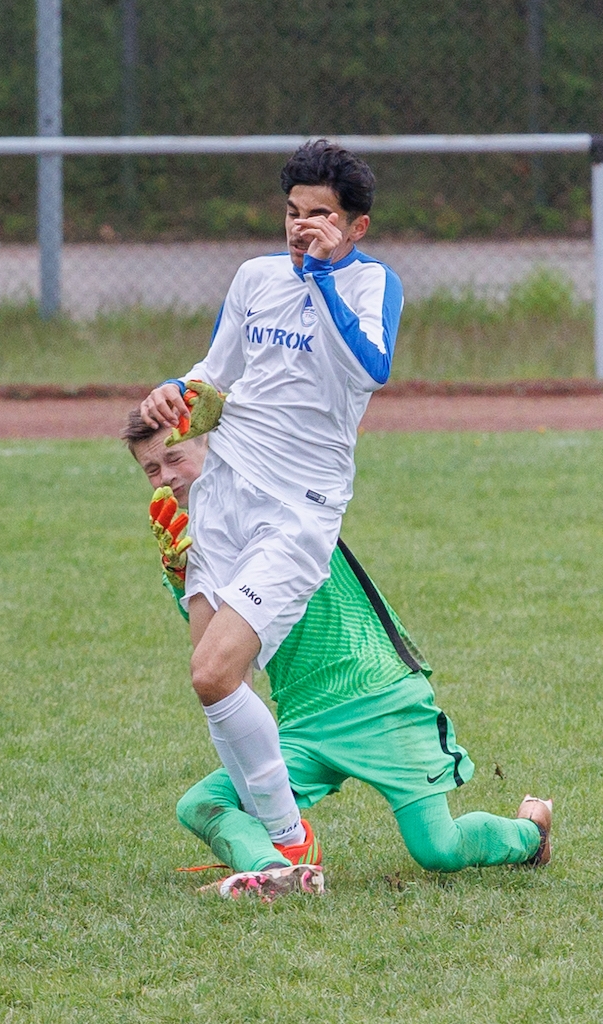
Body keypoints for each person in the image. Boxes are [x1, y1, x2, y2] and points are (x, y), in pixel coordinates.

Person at [124, 410, 553, 901]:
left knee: (439, 848)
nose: (165, 477)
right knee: (202, 803)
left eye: (174, 458)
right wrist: (183, 576)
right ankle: (275, 871)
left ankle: (531, 834)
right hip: (305, 721)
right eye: (151, 469)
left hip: (379, 699)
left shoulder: (269, 490)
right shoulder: (199, 538)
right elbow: (218, 667)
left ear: (213, 444)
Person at [137, 140, 404, 856]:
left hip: (297, 511)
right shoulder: (254, 277)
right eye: (292, 212)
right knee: (214, 682)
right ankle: (279, 836)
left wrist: (320, 280)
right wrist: (175, 392)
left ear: (356, 227)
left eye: (321, 215)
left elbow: (369, 369)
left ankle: (288, 842)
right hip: (223, 496)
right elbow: (216, 374)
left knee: (214, 672)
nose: (300, 226)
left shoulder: (371, 285)